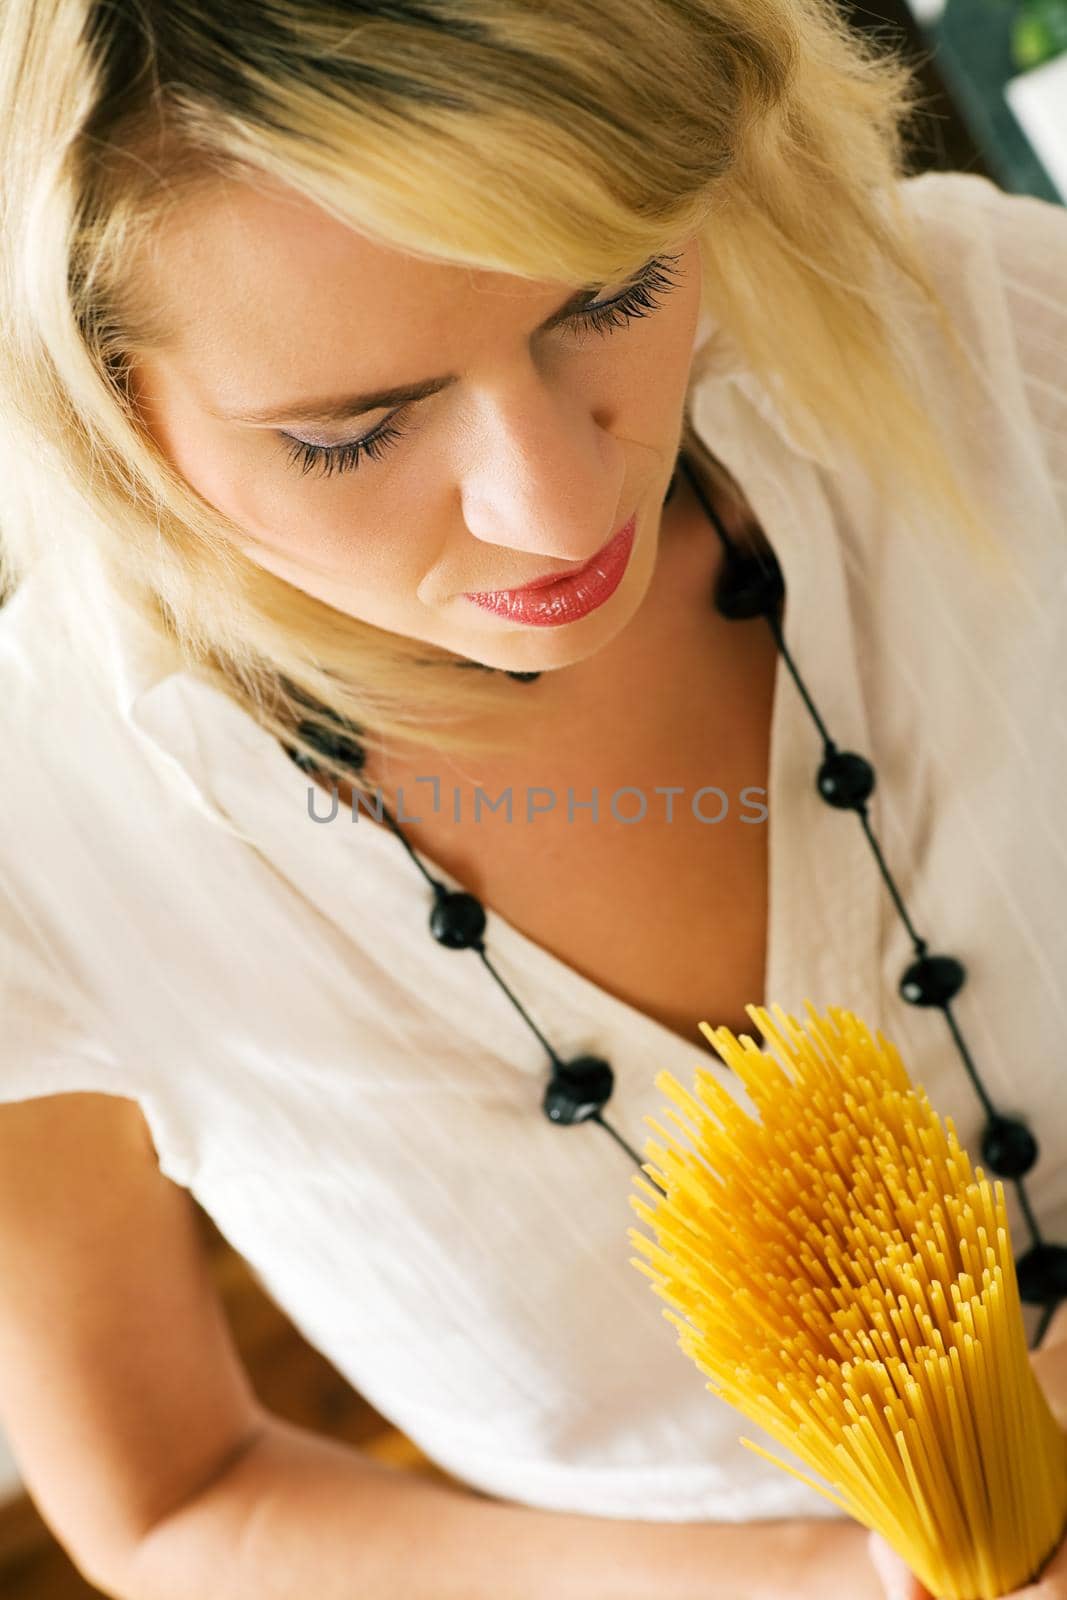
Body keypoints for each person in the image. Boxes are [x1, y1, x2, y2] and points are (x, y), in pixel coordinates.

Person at [0, 2, 1064, 1597]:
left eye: (620, 290)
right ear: (105, 408)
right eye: (352, 435)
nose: (559, 511)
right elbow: (173, 1497)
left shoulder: (996, 341)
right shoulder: (43, 825)